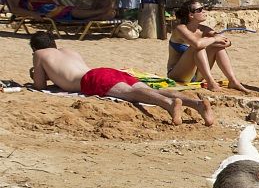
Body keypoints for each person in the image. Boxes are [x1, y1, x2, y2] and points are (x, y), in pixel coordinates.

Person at [29, 32, 214, 126]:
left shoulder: (39, 54)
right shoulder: (67, 50)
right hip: (103, 71)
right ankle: (196, 104)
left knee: (132, 93)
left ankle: (168, 104)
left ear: (35, 47)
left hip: (90, 80)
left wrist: (34, 73)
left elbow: (39, 85)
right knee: (149, 89)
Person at [167, 0, 250, 93]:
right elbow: (197, 44)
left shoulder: (203, 29)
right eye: (200, 10)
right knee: (198, 47)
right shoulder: (181, 29)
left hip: (197, 76)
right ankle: (211, 83)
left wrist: (216, 41)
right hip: (178, 75)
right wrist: (213, 39)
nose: (204, 11)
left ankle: (233, 80)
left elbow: (226, 41)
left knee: (217, 47)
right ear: (191, 15)